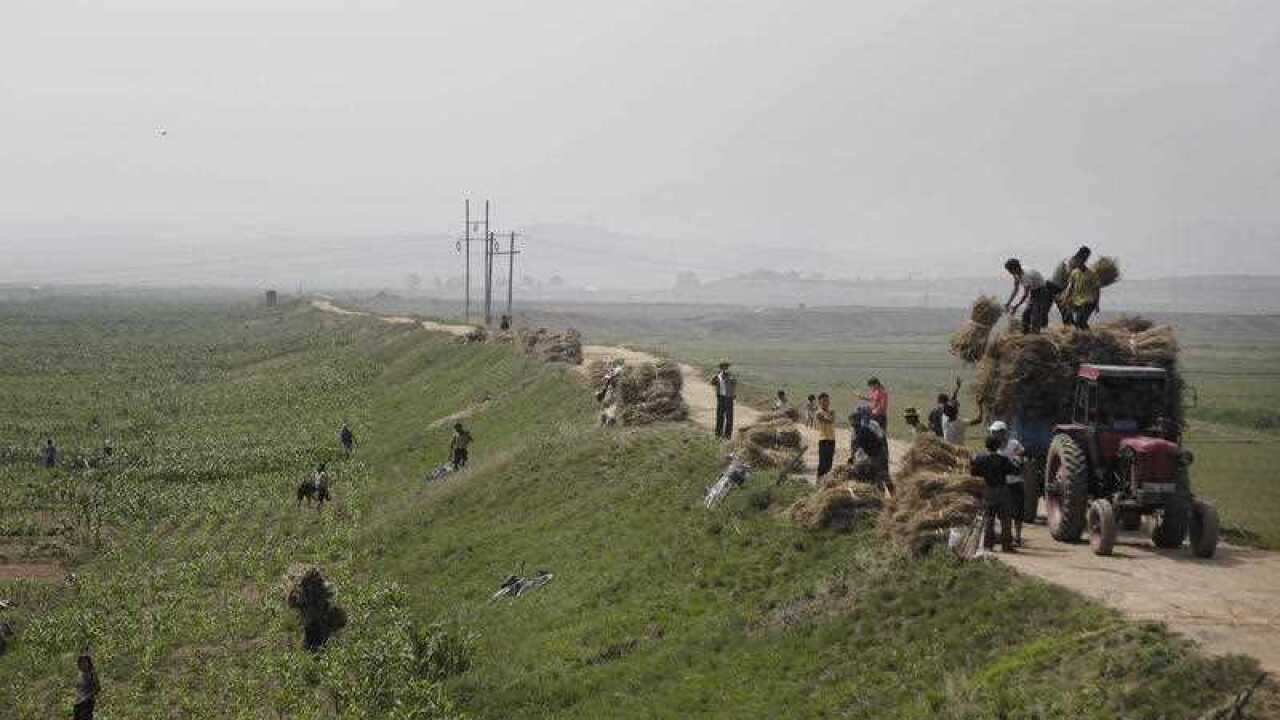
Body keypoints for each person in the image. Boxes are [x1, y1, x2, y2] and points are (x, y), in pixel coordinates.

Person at [970, 435, 1021, 553]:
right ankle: (1006, 545)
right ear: (998, 446)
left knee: (989, 519)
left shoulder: (980, 459)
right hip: (1002, 490)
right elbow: (1015, 470)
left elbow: (973, 472)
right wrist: (1017, 462)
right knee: (1005, 519)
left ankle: (988, 545)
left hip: (987, 490)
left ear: (986, 446)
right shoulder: (1003, 459)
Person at [990, 420, 1027, 546]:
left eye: (996, 432)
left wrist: (1017, 461)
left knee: (1018, 512)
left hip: (1015, 482)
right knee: (1004, 513)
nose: (994, 434)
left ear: (1003, 433)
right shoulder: (993, 448)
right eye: (993, 432)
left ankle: (1018, 537)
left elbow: (1022, 455)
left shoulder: (1014, 444)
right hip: (1002, 484)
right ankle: (1006, 536)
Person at [1004, 258, 1052, 333]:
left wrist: (1016, 306)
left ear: (1016, 268)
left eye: (1010, 270)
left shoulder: (1026, 275)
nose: (1010, 273)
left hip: (1041, 291)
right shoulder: (1016, 274)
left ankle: (1035, 336)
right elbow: (1016, 289)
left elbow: (1025, 294)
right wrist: (1008, 302)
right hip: (1033, 291)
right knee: (1025, 315)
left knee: (1035, 316)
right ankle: (1025, 334)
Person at [1050, 246, 1092, 324]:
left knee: (1067, 312)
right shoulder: (1071, 261)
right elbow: (1071, 276)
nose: (1087, 259)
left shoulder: (1076, 262)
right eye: (1086, 257)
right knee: (1066, 312)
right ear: (1083, 255)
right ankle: (1070, 331)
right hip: (1057, 287)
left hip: (1062, 288)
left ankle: (1071, 329)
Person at [1063, 254, 1101, 329]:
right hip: (1077, 302)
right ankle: (1083, 337)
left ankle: (1090, 337)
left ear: (1083, 261)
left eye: (1078, 261)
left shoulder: (1092, 274)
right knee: (1077, 323)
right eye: (1075, 262)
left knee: (1081, 322)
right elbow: (1070, 287)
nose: (1076, 263)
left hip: (1089, 301)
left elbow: (1097, 290)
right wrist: (1066, 299)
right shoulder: (1074, 273)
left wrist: (1097, 304)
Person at [711, 361, 737, 439]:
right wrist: (715, 377)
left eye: (726, 367)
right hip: (721, 398)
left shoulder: (731, 376)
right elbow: (712, 383)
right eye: (723, 367)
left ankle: (728, 435)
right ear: (721, 368)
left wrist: (733, 393)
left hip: (729, 398)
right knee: (719, 416)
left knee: (729, 417)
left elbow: (734, 384)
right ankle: (718, 434)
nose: (725, 368)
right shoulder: (717, 376)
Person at [814, 393, 836, 479]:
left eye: (827, 400)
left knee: (829, 462)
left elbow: (831, 419)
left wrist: (828, 415)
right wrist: (828, 415)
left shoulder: (831, 411)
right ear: (819, 402)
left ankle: (825, 481)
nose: (826, 402)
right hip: (823, 439)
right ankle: (819, 480)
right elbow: (829, 420)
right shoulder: (818, 413)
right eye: (824, 401)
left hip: (832, 439)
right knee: (822, 462)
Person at [73, 652, 99, 719]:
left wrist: (88, 696)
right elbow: (78, 689)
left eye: (85, 662)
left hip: (87, 702)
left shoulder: (91, 674)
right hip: (78, 702)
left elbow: (97, 688)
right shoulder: (79, 674)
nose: (83, 664)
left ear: (88, 663)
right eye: (81, 662)